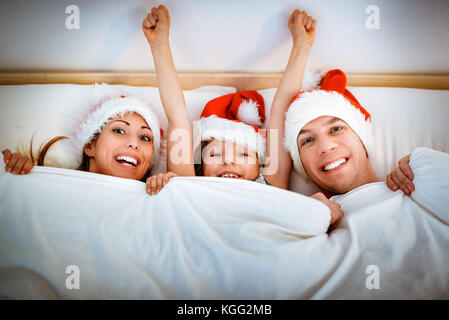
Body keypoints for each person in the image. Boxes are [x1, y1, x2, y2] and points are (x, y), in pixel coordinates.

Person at [2, 84, 162, 182]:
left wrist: (171, 188)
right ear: (90, 146)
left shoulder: (158, 195)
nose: (134, 143)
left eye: (144, 137)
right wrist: (15, 170)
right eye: (119, 130)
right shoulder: (46, 181)